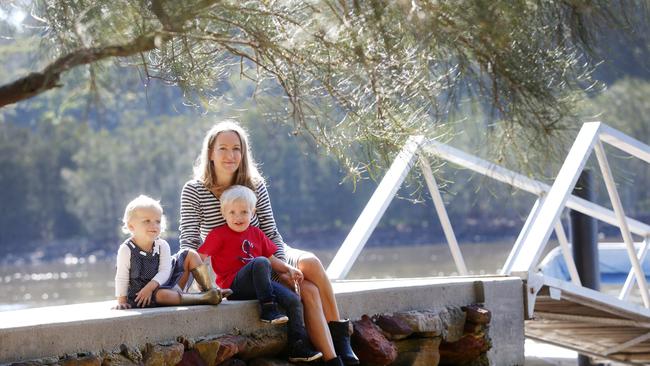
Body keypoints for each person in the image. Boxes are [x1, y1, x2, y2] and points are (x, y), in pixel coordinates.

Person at [179, 120, 359, 366]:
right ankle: (331, 359)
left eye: (236, 149)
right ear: (210, 152)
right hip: (233, 264)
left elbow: (271, 232)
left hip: (266, 251)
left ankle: (341, 341)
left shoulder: (255, 184)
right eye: (223, 148)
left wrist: (282, 268)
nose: (230, 155)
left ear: (244, 153)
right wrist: (189, 287)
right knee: (309, 290)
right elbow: (189, 243)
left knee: (312, 263)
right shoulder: (195, 190)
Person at [198, 185, 323, 362]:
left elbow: (272, 259)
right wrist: (203, 286)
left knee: (294, 299)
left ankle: (297, 346)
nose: (238, 217)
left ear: (253, 212)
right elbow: (199, 259)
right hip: (234, 286)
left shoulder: (256, 233)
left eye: (243, 212)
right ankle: (268, 309)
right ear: (223, 212)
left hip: (260, 284)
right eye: (232, 212)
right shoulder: (219, 235)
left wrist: (288, 269)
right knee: (260, 262)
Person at [114, 194, 231, 309]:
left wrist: (151, 286)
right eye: (147, 221)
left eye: (157, 221)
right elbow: (121, 277)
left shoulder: (162, 245)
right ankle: (203, 298)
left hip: (165, 283)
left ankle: (210, 290)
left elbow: (165, 271)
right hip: (144, 295)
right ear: (131, 226)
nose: (154, 225)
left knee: (190, 254)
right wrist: (122, 301)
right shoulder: (127, 249)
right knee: (162, 295)